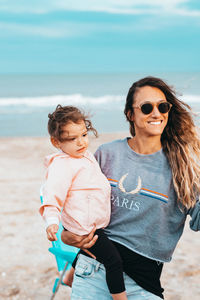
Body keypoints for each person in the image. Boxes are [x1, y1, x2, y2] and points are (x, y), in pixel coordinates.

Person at [61, 76, 200, 300]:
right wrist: (67, 235)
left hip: (145, 281)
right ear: (130, 114)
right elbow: (78, 204)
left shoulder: (184, 166)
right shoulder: (106, 154)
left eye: (162, 107)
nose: (156, 113)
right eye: (147, 107)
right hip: (93, 269)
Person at [39, 105, 129, 300]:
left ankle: (69, 277)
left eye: (84, 135)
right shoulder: (62, 165)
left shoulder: (85, 156)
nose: (81, 142)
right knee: (113, 262)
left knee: (92, 250)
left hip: (92, 222)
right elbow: (51, 196)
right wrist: (52, 222)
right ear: (56, 142)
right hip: (84, 227)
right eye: (72, 139)